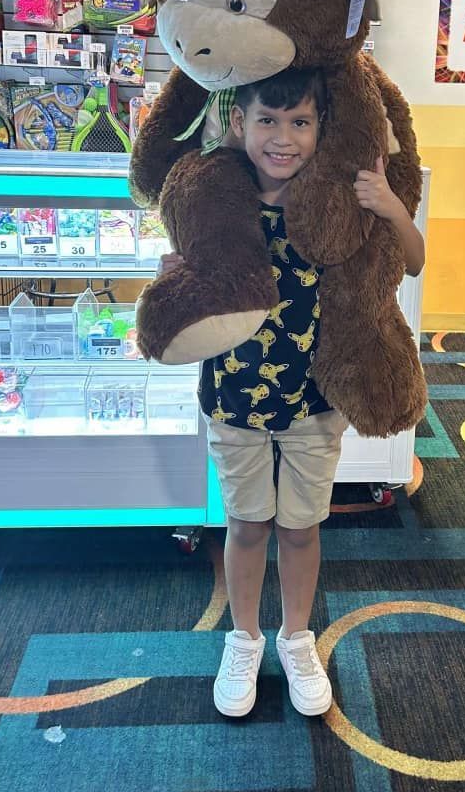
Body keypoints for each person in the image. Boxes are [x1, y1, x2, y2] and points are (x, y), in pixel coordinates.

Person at [157, 65, 424, 718]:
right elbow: (188, 267)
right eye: (268, 121)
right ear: (239, 122)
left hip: (314, 404)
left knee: (302, 528)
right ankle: (244, 638)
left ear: (319, 128)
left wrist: (388, 202)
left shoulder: (331, 203)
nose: (284, 137)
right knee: (247, 524)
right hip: (234, 398)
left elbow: (412, 259)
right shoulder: (219, 195)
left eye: (300, 122)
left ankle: (295, 636)